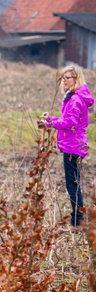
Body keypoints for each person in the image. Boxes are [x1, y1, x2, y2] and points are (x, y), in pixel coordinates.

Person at [41, 65, 94, 226]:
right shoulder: (72, 97)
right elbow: (67, 119)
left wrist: (50, 123)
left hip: (74, 146)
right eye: (62, 77)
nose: (64, 81)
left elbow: (70, 123)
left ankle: (78, 219)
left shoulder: (76, 99)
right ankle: (78, 217)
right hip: (73, 145)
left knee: (73, 183)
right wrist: (51, 119)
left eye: (67, 78)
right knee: (74, 182)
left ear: (76, 79)